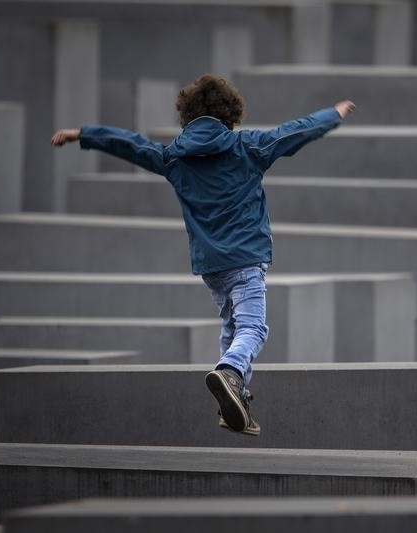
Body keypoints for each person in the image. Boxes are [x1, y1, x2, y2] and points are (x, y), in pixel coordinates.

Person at [52, 74, 355, 436]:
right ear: (231, 115)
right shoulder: (249, 148)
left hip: (212, 267)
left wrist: (83, 134)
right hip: (246, 261)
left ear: (186, 116)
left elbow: (131, 145)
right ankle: (230, 374)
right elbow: (294, 132)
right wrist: (332, 115)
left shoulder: (173, 158)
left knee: (231, 329)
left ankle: (234, 404)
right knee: (253, 329)